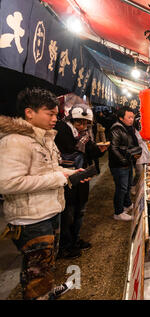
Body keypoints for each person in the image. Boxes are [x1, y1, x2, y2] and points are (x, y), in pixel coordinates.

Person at [0, 88, 82, 299]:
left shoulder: (43, 138)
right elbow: (7, 183)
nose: (56, 118)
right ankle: (39, 295)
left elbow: (47, 169)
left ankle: (47, 291)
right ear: (29, 113)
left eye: (56, 114)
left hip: (48, 211)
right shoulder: (15, 141)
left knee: (45, 264)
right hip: (30, 219)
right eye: (50, 113)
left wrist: (69, 173)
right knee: (35, 270)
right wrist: (58, 179)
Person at [54, 103, 108, 259]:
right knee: (68, 213)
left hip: (82, 176)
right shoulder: (62, 130)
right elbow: (70, 150)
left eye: (85, 123)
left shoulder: (86, 135)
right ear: (71, 119)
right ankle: (65, 246)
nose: (82, 125)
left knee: (80, 212)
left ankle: (75, 241)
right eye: (79, 122)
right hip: (68, 178)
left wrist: (100, 150)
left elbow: (90, 152)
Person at [108, 106, 142, 221]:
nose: (132, 119)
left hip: (127, 162)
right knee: (121, 188)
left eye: (133, 117)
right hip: (119, 165)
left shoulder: (129, 128)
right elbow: (114, 148)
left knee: (127, 186)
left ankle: (127, 204)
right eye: (129, 117)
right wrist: (123, 160)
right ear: (121, 118)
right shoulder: (116, 129)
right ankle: (118, 212)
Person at [131, 118, 150, 192]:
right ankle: (133, 187)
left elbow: (146, 140)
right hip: (138, 154)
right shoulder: (133, 131)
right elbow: (135, 141)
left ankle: (142, 187)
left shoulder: (144, 130)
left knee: (145, 172)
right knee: (139, 173)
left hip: (145, 152)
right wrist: (143, 139)